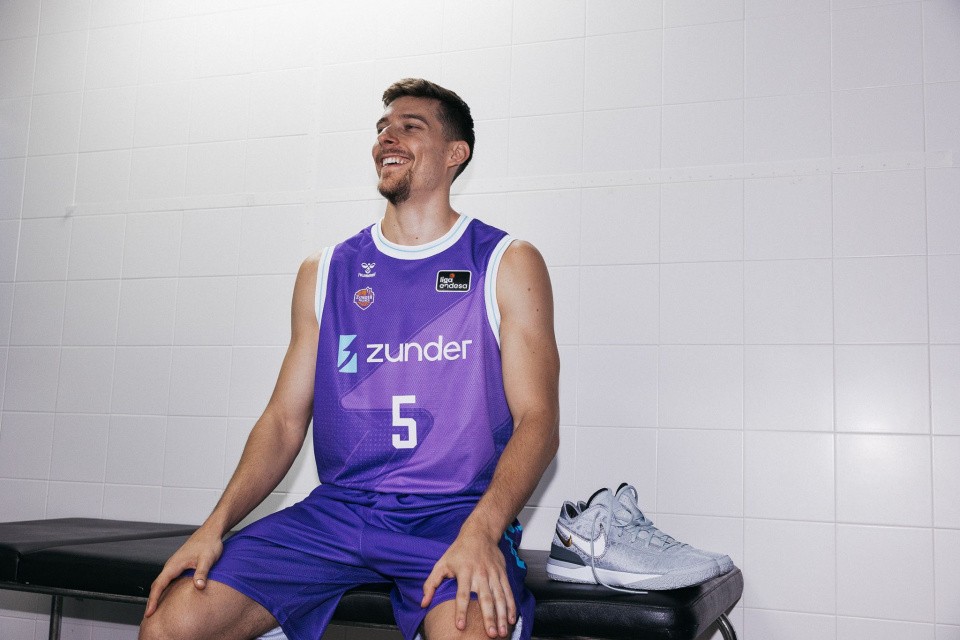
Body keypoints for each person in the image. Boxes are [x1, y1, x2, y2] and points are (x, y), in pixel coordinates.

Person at [139, 78, 560, 640]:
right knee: (170, 626)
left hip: (453, 514)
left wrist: (484, 529)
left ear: (455, 154)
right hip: (339, 512)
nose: (388, 137)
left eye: (411, 127)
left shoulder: (505, 261)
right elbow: (284, 420)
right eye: (383, 127)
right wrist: (213, 526)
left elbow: (538, 419)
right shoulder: (326, 270)